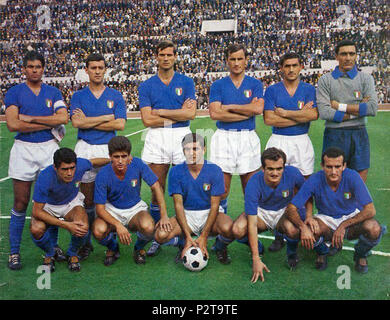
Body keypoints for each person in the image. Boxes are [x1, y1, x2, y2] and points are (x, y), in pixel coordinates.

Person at [4, 51, 68, 270]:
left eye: (38, 66)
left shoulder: (53, 91)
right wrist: (47, 124)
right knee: (21, 202)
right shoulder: (14, 92)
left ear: (43, 68)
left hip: (48, 148)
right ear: (24, 69)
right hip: (23, 149)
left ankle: (51, 248)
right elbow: (13, 124)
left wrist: (30, 118)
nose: (34, 70)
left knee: (51, 202)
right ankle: (14, 252)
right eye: (30, 66)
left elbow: (63, 117)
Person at [284, 147, 385, 273]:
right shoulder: (315, 179)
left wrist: (343, 226)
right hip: (325, 219)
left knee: (374, 228)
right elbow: (291, 208)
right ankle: (322, 251)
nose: (333, 171)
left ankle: (360, 254)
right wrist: (303, 227)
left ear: (344, 166)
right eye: (329, 167)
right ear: (322, 166)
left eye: (337, 167)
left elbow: (371, 210)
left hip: (350, 216)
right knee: (309, 230)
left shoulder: (352, 176)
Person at [138, 40, 197, 257]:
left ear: (174, 57)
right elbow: (146, 119)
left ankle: (183, 236)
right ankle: (157, 236)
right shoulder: (146, 85)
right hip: (157, 137)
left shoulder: (186, 82)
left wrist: (159, 112)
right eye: (162, 54)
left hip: (181, 135)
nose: (165, 58)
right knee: (157, 189)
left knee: (185, 188)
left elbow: (190, 115)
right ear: (156, 57)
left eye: (169, 54)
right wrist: (175, 112)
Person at [70, 53, 127, 260]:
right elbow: (77, 123)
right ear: (86, 70)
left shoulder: (115, 95)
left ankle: (110, 242)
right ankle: (86, 243)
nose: (96, 71)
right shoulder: (78, 96)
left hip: (108, 148)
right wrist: (105, 117)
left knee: (110, 197)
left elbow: (120, 124)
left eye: (100, 68)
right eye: (92, 67)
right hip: (85, 147)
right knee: (86, 199)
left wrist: (89, 120)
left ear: (105, 70)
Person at [263, 52, 318, 252]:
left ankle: (306, 225)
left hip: (302, 141)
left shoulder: (309, 89)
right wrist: (300, 116)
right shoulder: (272, 90)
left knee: (305, 185)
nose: (291, 69)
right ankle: (280, 232)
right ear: (281, 68)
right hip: (279, 140)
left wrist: (285, 113)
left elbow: (313, 115)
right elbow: (269, 119)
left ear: (301, 66)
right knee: (277, 185)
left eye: (295, 65)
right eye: (287, 66)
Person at [155, 133, 234, 264]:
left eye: (195, 149)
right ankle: (183, 242)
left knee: (230, 229)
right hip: (187, 214)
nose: (192, 153)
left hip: (209, 212)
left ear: (204, 150)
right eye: (187, 149)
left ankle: (220, 247)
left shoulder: (215, 170)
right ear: (183, 151)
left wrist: (204, 236)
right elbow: (178, 205)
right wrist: (187, 236)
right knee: (160, 235)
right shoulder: (175, 171)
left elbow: (215, 206)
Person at [232, 148, 308, 282]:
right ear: (263, 168)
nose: (275, 173)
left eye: (279, 168)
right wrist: (256, 258)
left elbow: (307, 194)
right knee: (237, 229)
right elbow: (252, 222)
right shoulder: (253, 182)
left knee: (293, 229)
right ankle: (257, 248)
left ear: (284, 167)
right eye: (270, 169)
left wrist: (308, 218)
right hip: (261, 212)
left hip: (283, 212)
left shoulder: (293, 173)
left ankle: (291, 253)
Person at [92, 136, 171, 266]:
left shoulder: (137, 164)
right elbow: (100, 209)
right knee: (98, 230)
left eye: (124, 156)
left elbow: (156, 186)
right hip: (112, 209)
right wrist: (118, 225)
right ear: (110, 156)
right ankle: (112, 248)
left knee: (149, 227)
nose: (120, 161)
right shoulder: (103, 174)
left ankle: (138, 248)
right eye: (116, 157)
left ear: (129, 156)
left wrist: (164, 215)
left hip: (135, 209)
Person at [30, 148, 110, 272]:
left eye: (72, 168)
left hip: (71, 203)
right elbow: (37, 211)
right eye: (64, 169)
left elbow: (94, 162)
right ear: (55, 168)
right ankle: (51, 253)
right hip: (48, 205)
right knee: (36, 229)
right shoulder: (45, 177)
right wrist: (66, 225)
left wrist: (113, 160)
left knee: (82, 227)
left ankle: (72, 253)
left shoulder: (81, 165)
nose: (69, 173)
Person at [208, 43, 264, 217]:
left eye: (240, 58)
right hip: (224, 137)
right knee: (221, 189)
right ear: (227, 61)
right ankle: (220, 233)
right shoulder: (218, 85)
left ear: (246, 61)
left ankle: (249, 232)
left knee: (250, 189)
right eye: (232, 59)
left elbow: (257, 110)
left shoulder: (255, 84)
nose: (236, 63)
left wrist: (229, 107)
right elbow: (215, 113)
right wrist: (245, 111)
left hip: (248, 137)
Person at [317, 39, 378, 184]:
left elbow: (372, 108)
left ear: (356, 56)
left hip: (359, 132)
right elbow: (325, 113)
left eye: (352, 53)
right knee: (334, 178)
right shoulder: (325, 80)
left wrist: (339, 106)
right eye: (344, 54)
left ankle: (356, 207)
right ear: (336, 56)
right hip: (334, 134)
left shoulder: (366, 79)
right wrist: (358, 110)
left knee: (359, 178)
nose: (348, 58)